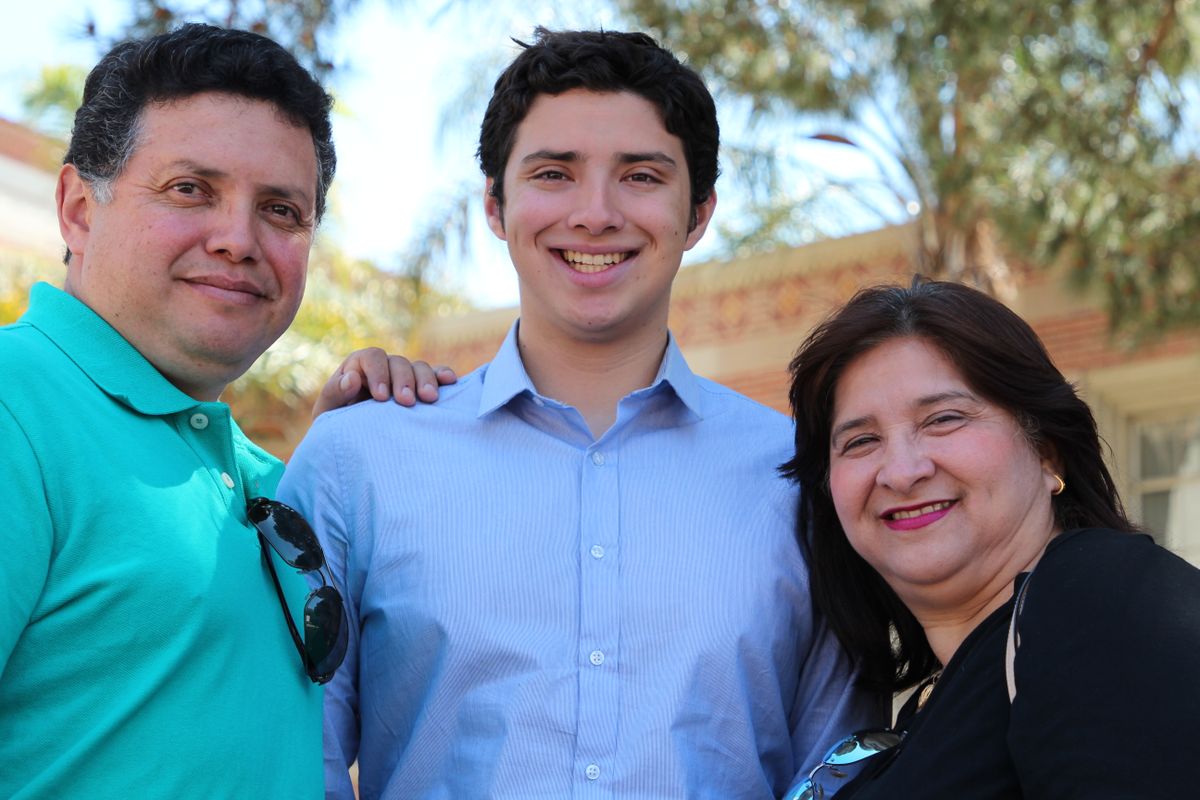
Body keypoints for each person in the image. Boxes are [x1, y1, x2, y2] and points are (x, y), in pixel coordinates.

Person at [278, 27, 882, 799]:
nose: (595, 214)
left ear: (697, 213)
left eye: (640, 175)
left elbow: (836, 771)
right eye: (554, 174)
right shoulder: (357, 459)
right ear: (495, 206)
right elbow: (297, 759)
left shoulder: (802, 476)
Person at [0, 23, 344, 798]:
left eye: (282, 211)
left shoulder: (265, 477)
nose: (238, 239)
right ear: (79, 209)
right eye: (192, 189)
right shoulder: (14, 404)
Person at [779, 278, 1200, 798]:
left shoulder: (1097, 593)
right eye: (861, 440)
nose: (902, 471)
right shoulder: (937, 700)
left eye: (944, 419)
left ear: (1047, 452)